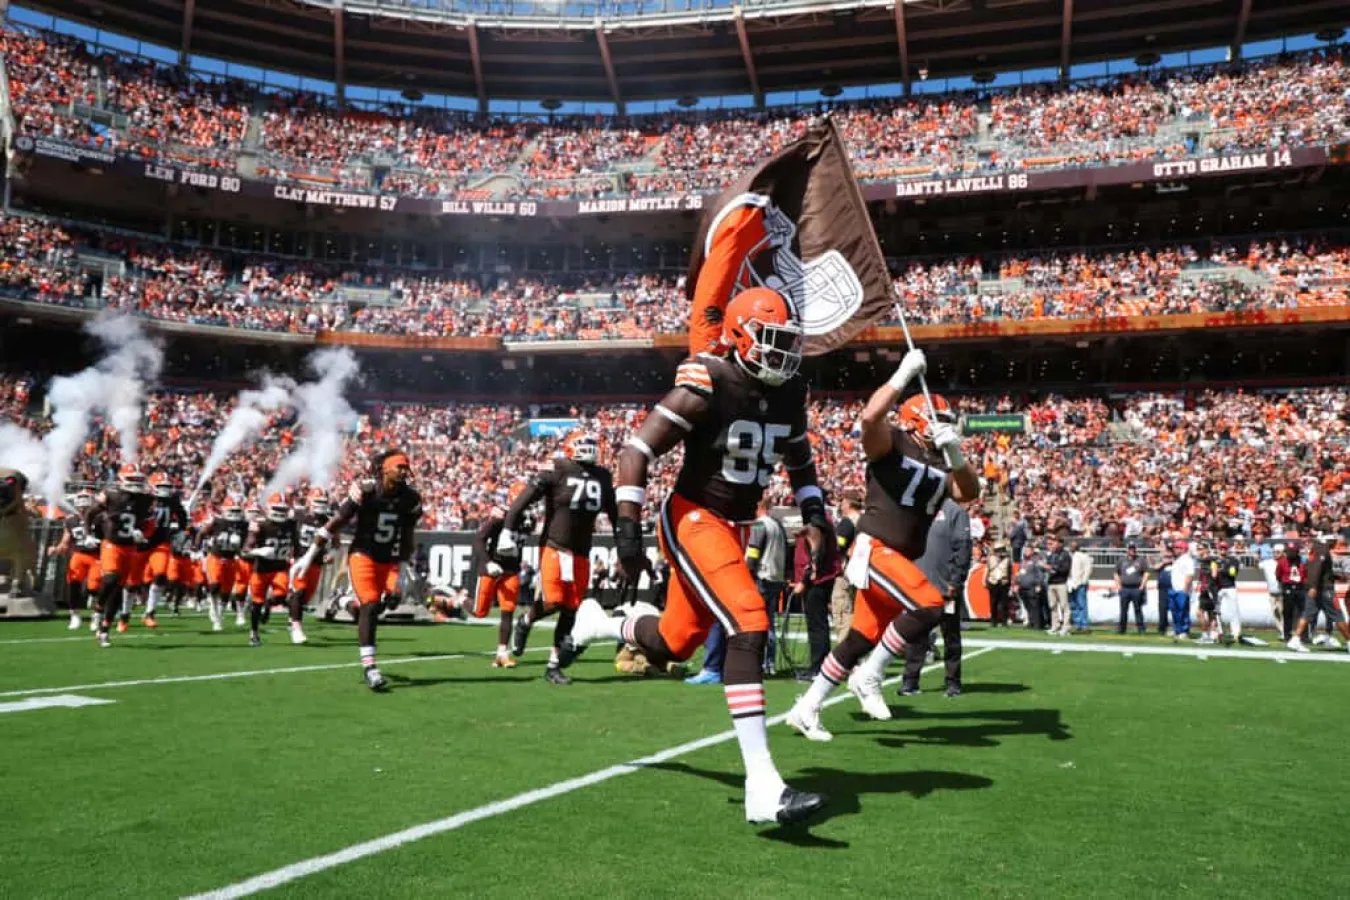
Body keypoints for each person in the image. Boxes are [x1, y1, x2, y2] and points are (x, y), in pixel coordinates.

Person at [557, 286, 830, 825]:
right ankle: (762, 785)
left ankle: (601, 625)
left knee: (676, 642)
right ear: (740, 336)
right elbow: (636, 450)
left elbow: (800, 462)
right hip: (693, 517)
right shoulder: (710, 380)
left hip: (736, 527)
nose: (782, 352)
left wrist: (815, 515)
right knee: (749, 622)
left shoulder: (789, 392)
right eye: (771, 340)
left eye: (787, 341)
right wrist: (628, 532)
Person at [784, 348, 979, 731]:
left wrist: (957, 455)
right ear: (915, 420)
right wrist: (902, 375)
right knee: (929, 605)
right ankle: (870, 676)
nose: (944, 427)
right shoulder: (894, 443)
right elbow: (870, 418)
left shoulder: (943, 461)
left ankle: (806, 708)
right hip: (874, 549)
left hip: (900, 558)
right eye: (937, 420)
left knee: (859, 638)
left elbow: (968, 492)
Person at [294, 448, 423, 692]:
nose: (404, 471)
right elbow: (335, 523)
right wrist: (309, 556)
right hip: (363, 555)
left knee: (387, 603)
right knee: (371, 604)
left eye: (406, 467)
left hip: (389, 558)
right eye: (400, 467)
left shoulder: (410, 498)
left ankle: (344, 603)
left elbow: (407, 534)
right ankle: (370, 666)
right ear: (385, 468)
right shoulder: (366, 491)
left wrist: (405, 565)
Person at [501, 432, 617, 685]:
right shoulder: (557, 468)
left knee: (571, 608)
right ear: (570, 448)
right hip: (555, 545)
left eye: (591, 443)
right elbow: (523, 499)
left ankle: (553, 666)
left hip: (581, 551)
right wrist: (508, 529)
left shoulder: (602, 476)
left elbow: (614, 512)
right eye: (583, 443)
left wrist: (624, 541)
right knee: (553, 601)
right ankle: (526, 620)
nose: (589, 448)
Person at [898, 496, 972, 698]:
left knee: (951, 637)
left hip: (945, 588)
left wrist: (956, 581)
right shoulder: (918, 508)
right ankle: (910, 681)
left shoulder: (955, 511)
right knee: (915, 636)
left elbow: (964, 547)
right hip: (918, 587)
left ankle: (953, 682)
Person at [85, 465, 156, 648]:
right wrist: (88, 534)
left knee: (118, 590)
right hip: (112, 544)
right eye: (133, 479)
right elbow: (91, 513)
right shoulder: (111, 494)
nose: (137, 483)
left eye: (139, 479)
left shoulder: (146, 499)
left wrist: (143, 534)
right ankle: (98, 610)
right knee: (111, 578)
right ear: (123, 479)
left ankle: (105, 630)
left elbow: (150, 524)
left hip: (130, 547)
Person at [472, 484, 525, 668]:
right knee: (480, 612)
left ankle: (502, 654)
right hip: (492, 566)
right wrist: (488, 562)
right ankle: (456, 600)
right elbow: (479, 539)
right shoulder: (500, 517)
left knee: (508, 611)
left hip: (511, 570)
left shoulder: (528, 519)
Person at [242, 493, 298, 647]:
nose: (280, 512)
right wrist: (259, 551)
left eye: (283, 509)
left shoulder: (290, 524)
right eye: (277, 509)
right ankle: (254, 632)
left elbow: (296, 544)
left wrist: (298, 558)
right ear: (269, 508)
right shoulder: (260, 525)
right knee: (256, 603)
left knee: (281, 595)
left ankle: (268, 604)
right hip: (261, 569)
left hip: (280, 567)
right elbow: (245, 549)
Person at [140, 472, 188, 629]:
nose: (164, 489)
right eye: (161, 486)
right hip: (140, 542)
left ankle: (149, 613)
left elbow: (182, 515)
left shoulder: (172, 501)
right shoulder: (143, 498)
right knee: (130, 581)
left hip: (161, 542)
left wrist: (181, 530)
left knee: (160, 575)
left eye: (167, 486)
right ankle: (122, 614)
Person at [1287, 537, 1350, 653]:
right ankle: (1349, 641)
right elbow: (1317, 569)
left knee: (1307, 614)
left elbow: (1318, 570)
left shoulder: (1315, 551)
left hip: (1317, 588)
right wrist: (1314, 586)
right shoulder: (1322, 550)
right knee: (1338, 615)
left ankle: (1295, 639)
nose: (1336, 544)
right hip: (1324, 590)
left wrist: (1335, 577)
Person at [285, 488, 332, 644]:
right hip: (299, 560)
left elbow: (336, 543)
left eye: (323, 502)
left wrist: (330, 553)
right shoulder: (298, 516)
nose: (321, 505)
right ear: (310, 501)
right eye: (318, 501)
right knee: (299, 591)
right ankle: (297, 628)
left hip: (316, 563)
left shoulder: (328, 520)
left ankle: (292, 614)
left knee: (305, 597)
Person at [50, 489, 101, 630]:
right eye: (81, 505)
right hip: (79, 555)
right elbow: (65, 542)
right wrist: (56, 549)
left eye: (86, 505)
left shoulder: (100, 518)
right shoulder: (71, 520)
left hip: (97, 555)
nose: (83, 508)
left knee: (94, 587)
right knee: (73, 584)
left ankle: (97, 615)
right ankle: (74, 615)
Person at [200, 497, 249, 633]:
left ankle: (219, 615)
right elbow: (202, 533)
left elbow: (247, 544)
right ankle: (216, 616)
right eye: (232, 511)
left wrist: (241, 547)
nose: (234, 514)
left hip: (231, 559)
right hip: (215, 557)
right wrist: (197, 548)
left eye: (237, 511)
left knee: (226, 593)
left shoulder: (243, 525)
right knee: (215, 586)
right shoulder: (217, 522)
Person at [830, 492, 862, 643]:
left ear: (848, 503)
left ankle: (844, 647)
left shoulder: (847, 522)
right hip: (861, 572)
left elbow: (839, 546)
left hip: (846, 571)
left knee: (842, 608)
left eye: (842, 502)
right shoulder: (864, 521)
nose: (840, 505)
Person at [1277, 543, 1307, 648]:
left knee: (1303, 612)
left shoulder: (1303, 561)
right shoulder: (1282, 562)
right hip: (1288, 587)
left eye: (1293, 551)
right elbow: (1278, 575)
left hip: (1300, 587)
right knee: (1287, 612)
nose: (1291, 553)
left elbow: (1306, 573)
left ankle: (1304, 635)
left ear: (1297, 551)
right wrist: (1285, 584)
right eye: (1289, 551)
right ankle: (1287, 634)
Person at [1114, 543, 1148, 635]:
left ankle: (1141, 628)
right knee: (1123, 610)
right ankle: (1122, 628)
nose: (1132, 550)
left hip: (1136, 588)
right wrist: (1118, 586)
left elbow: (1146, 573)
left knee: (1138, 609)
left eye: (1133, 548)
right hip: (1125, 588)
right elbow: (1116, 573)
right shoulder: (1121, 560)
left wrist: (1142, 586)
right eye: (1130, 548)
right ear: (1127, 550)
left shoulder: (1141, 560)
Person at [1045, 535, 1072, 636]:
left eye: (1055, 542)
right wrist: (1045, 567)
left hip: (1061, 583)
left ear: (1060, 543)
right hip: (1051, 582)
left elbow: (1065, 569)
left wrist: (1053, 568)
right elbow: (1047, 565)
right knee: (1052, 606)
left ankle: (1066, 627)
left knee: (1064, 606)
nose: (1053, 544)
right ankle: (1055, 626)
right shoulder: (1052, 555)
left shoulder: (1065, 555)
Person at [1015, 546, 1048, 629]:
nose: (1026, 552)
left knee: (1035, 606)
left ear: (1032, 552)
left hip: (1032, 587)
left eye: (1028, 550)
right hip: (1023, 587)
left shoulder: (1036, 561)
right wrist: (1017, 583)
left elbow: (1040, 574)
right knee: (1027, 606)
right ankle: (1031, 622)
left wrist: (1038, 584)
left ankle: (1038, 624)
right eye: (1025, 550)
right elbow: (1019, 573)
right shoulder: (1022, 562)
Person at [1169, 540, 1195, 641]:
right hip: (1174, 589)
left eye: (1177, 547)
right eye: (1175, 547)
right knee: (1175, 611)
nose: (1174, 549)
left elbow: (1189, 575)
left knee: (1183, 612)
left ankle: (1184, 631)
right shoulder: (1177, 559)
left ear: (1183, 549)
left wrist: (1185, 589)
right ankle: (1177, 630)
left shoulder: (1187, 560)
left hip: (1182, 590)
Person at [1259, 543, 1283, 640]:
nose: (1275, 554)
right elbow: (1256, 565)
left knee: (1283, 612)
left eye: (1278, 552)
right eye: (1274, 552)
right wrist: (1256, 559)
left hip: (1282, 592)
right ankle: (1282, 631)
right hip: (1272, 593)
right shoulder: (1267, 562)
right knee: (1275, 613)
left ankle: (1285, 631)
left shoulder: (1285, 562)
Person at [1069, 540, 1093, 633]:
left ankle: (1084, 625)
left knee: (1082, 604)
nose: (1071, 547)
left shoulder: (1083, 556)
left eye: (1073, 546)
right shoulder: (1070, 556)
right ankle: (1077, 624)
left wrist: (1083, 581)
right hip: (1071, 584)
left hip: (1080, 583)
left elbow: (1088, 569)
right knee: (1073, 605)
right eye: (1071, 545)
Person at [985, 541, 1012, 626]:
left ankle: (1004, 621)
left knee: (1004, 603)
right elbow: (987, 570)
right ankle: (993, 621)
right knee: (993, 603)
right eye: (998, 550)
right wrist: (985, 581)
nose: (1000, 552)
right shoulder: (990, 558)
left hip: (1004, 582)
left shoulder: (1007, 559)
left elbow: (1010, 572)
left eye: (1001, 549)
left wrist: (1010, 582)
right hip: (993, 581)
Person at [1153, 546, 1173, 636]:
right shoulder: (1161, 564)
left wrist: (1171, 560)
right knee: (1162, 609)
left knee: (1174, 609)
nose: (1168, 555)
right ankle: (1162, 628)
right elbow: (1155, 568)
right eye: (1166, 553)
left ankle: (1176, 628)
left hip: (1173, 589)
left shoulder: (1176, 563)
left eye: (1169, 553)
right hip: (1162, 590)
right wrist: (1163, 562)